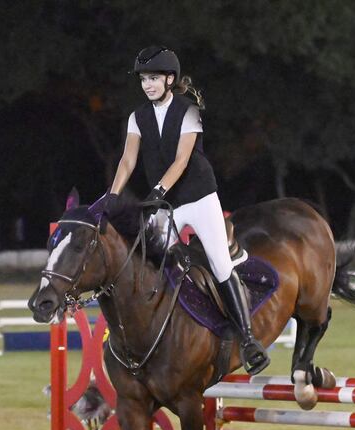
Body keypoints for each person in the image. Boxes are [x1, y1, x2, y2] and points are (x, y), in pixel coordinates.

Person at [108, 45, 269, 375]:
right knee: (152, 262)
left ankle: (249, 339)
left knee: (220, 264)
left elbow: (182, 160)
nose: (147, 85)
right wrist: (112, 195)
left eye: (153, 78)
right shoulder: (137, 117)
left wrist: (157, 190)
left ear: (169, 79)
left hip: (198, 198)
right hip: (165, 203)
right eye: (143, 80)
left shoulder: (189, 110)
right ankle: (162, 338)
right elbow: (128, 160)